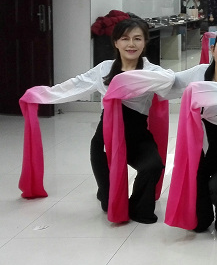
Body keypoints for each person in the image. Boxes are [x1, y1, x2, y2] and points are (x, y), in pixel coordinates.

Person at [19, 18, 173, 223]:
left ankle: (137, 206)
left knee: (153, 166)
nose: (131, 44)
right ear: (116, 42)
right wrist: (41, 94)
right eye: (125, 38)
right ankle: (106, 192)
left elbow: (172, 81)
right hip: (105, 142)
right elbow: (76, 85)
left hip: (137, 137)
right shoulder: (104, 70)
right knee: (109, 204)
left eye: (137, 39)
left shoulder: (153, 72)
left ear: (145, 42)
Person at [165, 27, 217, 236]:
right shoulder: (200, 73)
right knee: (199, 223)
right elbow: (172, 82)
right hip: (198, 151)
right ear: (213, 49)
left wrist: (196, 90)